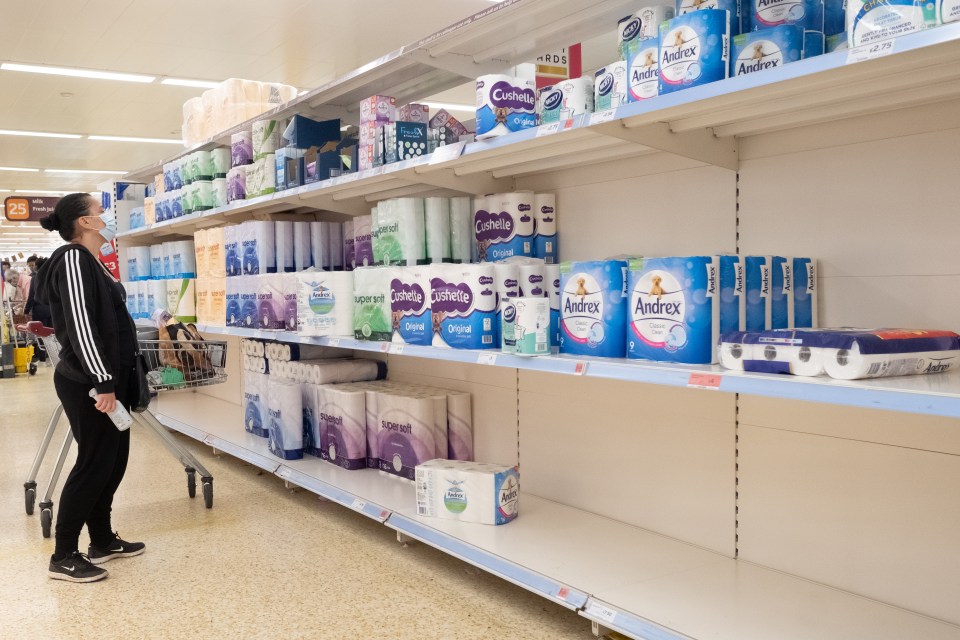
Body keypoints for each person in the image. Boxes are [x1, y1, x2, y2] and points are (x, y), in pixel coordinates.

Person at [36, 193, 144, 583]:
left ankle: (101, 538)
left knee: (113, 461)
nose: (106, 216)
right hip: (88, 382)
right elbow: (81, 324)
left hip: (108, 380)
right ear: (83, 222)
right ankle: (63, 554)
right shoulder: (73, 258)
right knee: (93, 464)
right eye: (100, 212)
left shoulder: (94, 263)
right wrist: (103, 382)